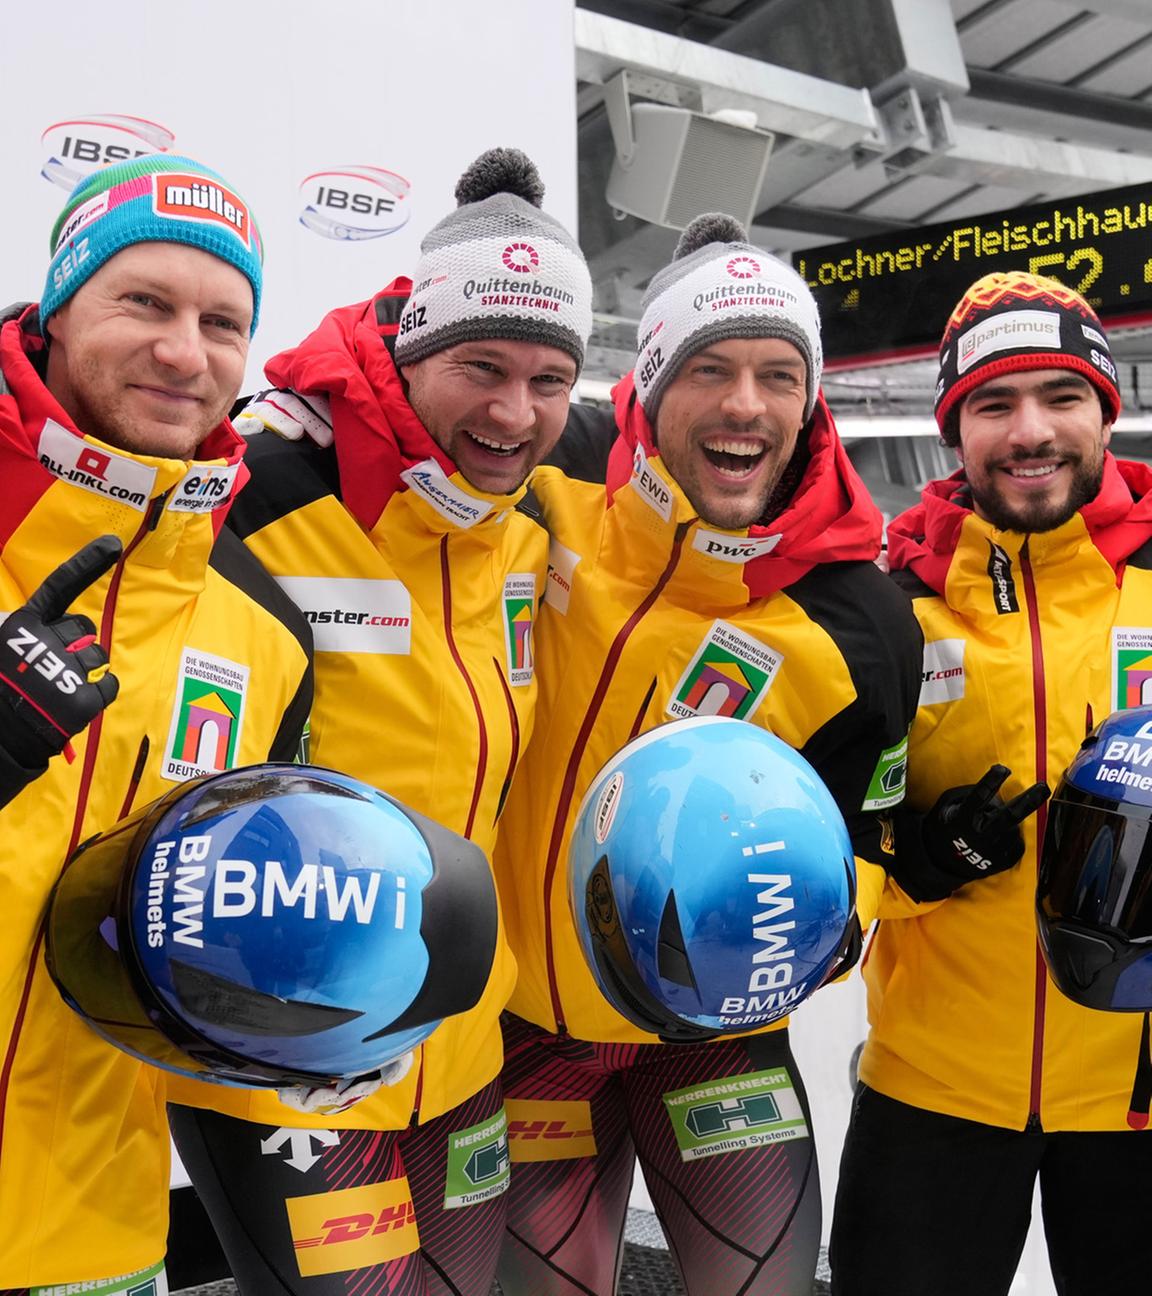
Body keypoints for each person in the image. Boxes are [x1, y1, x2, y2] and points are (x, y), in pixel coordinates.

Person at [167, 147, 593, 1295]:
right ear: (410, 351)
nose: (515, 411)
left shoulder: (535, 511)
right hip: (282, 1046)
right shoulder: (261, 486)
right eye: (481, 367)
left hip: (458, 1043)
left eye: (552, 379)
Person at [491, 213, 923, 1296]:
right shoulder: (552, 481)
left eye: (780, 375)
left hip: (715, 1033)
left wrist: (833, 923)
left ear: (810, 401)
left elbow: (864, 832)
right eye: (711, 369)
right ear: (647, 386)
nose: (746, 404)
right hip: (528, 1028)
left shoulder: (861, 617)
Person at [0, 154, 313, 1295]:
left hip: (98, 1234)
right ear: (58, 308)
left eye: (223, 321)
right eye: (145, 302)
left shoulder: (265, 626)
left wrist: (300, 1027)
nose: (188, 352)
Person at [829, 270, 1152, 1296]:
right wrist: (915, 861)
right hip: (935, 1092)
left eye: (1061, 398)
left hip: (1141, 1100)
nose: (1030, 431)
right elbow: (831, 839)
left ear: (1106, 408)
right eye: (994, 404)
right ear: (954, 428)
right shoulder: (891, 608)